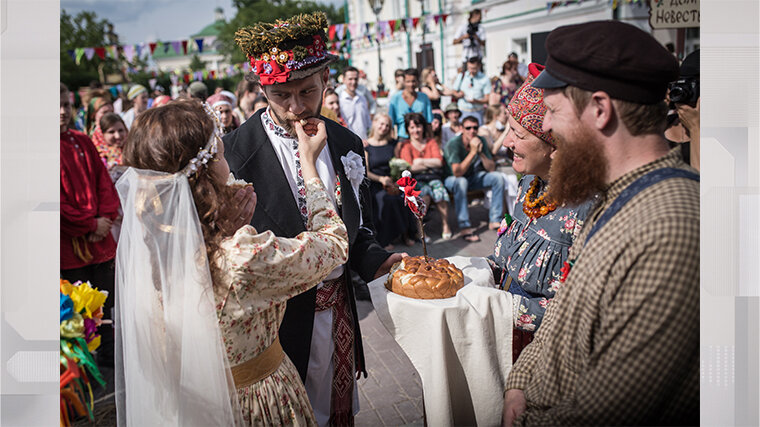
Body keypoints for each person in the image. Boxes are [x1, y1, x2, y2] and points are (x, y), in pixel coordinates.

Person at [501, 21, 698, 426]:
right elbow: (564, 311)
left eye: (553, 111)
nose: (548, 128)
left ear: (601, 110)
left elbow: (608, 409)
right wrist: (519, 382)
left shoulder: (669, 223)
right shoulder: (615, 196)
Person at [116, 100, 348, 425]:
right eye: (222, 154)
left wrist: (222, 229)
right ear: (207, 176)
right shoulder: (242, 258)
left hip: (191, 408)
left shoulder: (148, 258)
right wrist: (308, 166)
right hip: (258, 403)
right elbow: (334, 243)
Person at [224, 12, 403, 425]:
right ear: (262, 90)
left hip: (338, 314)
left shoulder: (346, 142)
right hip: (278, 333)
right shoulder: (234, 154)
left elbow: (358, 228)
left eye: (307, 91)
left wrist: (375, 259)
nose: (296, 107)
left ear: (326, 79)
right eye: (280, 95)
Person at [487, 63, 593, 363]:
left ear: (555, 147)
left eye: (517, 134)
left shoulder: (587, 207)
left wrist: (499, 307)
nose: (507, 142)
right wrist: (467, 271)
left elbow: (580, 311)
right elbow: (506, 260)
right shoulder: (529, 184)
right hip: (506, 343)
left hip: (548, 357)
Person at [59, 83, 120, 369]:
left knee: (106, 304)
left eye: (66, 106)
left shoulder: (81, 141)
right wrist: (89, 223)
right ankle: (81, 370)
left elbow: (103, 182)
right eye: (55, 106)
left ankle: (109, 358)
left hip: (101, 239)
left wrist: (105, 219)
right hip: (70, 245)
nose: (62, 112)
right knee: (75, 312)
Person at [443, 115, 504, 242]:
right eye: (468, 128)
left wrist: (480, 152)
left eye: (475, 128)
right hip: (451, 179)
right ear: (462, 129)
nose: (472, 131)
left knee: (497, 177)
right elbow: (457, 172)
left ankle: (495, 219)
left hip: (471, 177)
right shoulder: (454, 144)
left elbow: (491, 167)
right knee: (461, 181)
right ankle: (464, 226)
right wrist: (472, 152)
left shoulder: (480, 140)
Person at [365, 113, 417, 249]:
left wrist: (396, 180)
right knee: (387, 200)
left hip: (393, 181)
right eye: (381, 124)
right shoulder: (366, 146)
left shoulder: (393, 144)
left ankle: (407, 233)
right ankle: (386, 238)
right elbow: (366, 171)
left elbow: (399, 162)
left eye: (387, 125)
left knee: (405, 196)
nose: (384, 127)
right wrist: (381, 179)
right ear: (374, 123)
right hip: (375, 183)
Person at [398, 113, 453, 240]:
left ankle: (446, 225)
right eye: (412, 127)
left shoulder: (431, 142)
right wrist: (429, 163)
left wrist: (420, 161)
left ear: (423, 127)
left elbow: (439, 162)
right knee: (423, 196)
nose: (416, 130)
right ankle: (420, 230)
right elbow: (410, 167)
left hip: (433, 177)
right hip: (416, 180)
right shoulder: (406, 146)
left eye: (418, 126)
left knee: (440, 192)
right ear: (408, 130)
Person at [387, 68, 433, 141]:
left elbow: (429, 122)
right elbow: (390, 123)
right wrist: (392, 142)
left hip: (420, 137)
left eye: (413, 81)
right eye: (408, 81)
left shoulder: (424, 98)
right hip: (403, 137)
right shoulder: (395, 98)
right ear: (404, 82)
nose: (411, 84)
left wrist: (431, 140)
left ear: (417, 82)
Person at [452, 56, 491, 125]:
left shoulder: (484, 78)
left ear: (479, 66)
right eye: (469, 68)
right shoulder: (461, 76)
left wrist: (476, 101)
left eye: (474, 68)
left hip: (477, 111)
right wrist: (459, 94)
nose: (471, 71)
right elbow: (454, 92)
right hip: (463, 110)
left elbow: (487, 98)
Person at [338, 66, 372, 140]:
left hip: (363, 142)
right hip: (347, 141)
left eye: (356, 79)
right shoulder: (339, 100)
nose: (353, 82)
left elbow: (367, 122)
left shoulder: (362, 98)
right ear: (344, 80)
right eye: (350, 79)